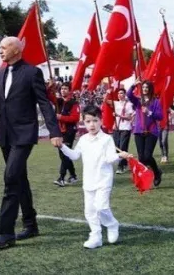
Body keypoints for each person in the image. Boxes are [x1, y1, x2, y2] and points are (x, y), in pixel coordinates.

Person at [0, 36, 62, 249]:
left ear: (16, 49)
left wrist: (54, 131)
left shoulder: (32, 72)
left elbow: (44, 103)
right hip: (5, 136)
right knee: (19, 179)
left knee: (11, 178)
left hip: (24, 134)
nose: (0, 50)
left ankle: (5, 233)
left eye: (4, 47)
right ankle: (31, 225)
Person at [55, 105, 131, 249]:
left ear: (101, 121)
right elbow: (75, 155)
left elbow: (109, 158)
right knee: (89, 211)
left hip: (103, 180)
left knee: (101, 207)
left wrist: (119, 155)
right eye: (88, 121)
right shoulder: (83, 139)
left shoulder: (107, 139)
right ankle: (96, 236)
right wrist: (62, 147)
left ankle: (112, 224)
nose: (92, 124)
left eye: (95, 121)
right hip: (89, 181)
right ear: (83, 122)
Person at [127, 79, 163, 187]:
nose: (145, 89)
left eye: (147, 87)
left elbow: (160, 116)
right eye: (143, 87)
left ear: (150, 89)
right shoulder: (138, 100)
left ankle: (157, 172)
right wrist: (134, 85)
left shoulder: (155, 101)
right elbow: (129, 95)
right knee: (141, 158)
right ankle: (143, 181)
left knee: (147, 156)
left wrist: (149, 112)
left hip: (151, 131)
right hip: (139, 131)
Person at [53, 82, 80, 187]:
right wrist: (51, 86)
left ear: (69, 91)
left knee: (64, 154)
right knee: (63, 154)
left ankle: (61, 178)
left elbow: (75, 118)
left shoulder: (74, 103)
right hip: (59, 131)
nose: (63, 90)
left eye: (65, 89)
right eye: (62, 89)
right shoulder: (58, 101)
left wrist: (61, 117)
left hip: (69, 131)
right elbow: (49, 96)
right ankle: (73, 175)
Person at [105, 88, 134, 174]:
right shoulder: (115, 103)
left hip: (125, 128)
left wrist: (119, 115)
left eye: (121, 93)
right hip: (116, 128)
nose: (119, 95)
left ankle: (120, 167)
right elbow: (105, 101)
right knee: (117, 148)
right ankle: (125, 163)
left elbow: (129, 117)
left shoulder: (129, 104)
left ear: (125, 94)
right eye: (118, 93)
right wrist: (107, 92)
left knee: (122, 147)